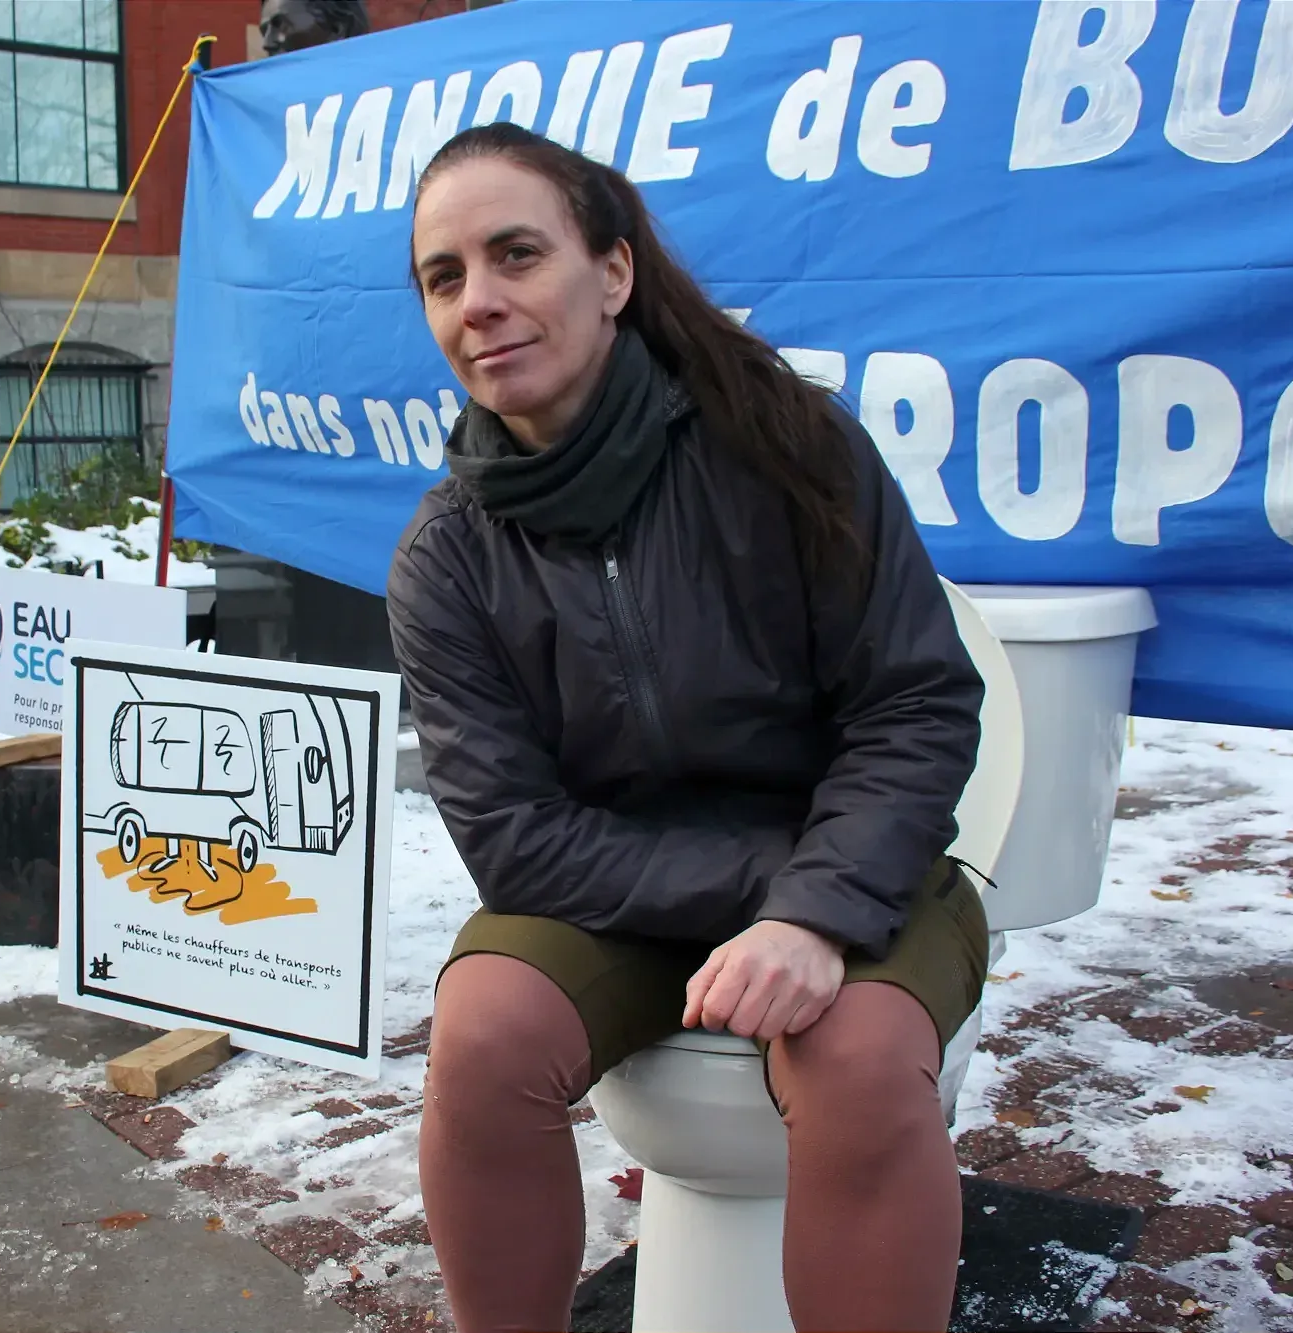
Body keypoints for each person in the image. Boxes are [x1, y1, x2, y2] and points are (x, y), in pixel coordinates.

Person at [387, 123, 988, 1333]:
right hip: (626, 891)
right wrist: (766, 891)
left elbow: (913, 703)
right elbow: (514, 842)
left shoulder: (786, 447)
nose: (481, 303)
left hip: (853, 866)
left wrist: (817, 907)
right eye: (445, 278)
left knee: (859, 1061)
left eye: (516, 255)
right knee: (484, 1037)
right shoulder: (445, 557)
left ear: (610, 274)